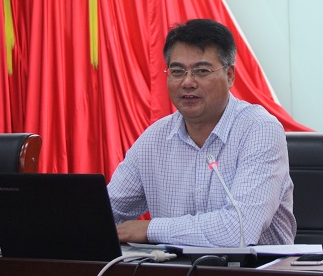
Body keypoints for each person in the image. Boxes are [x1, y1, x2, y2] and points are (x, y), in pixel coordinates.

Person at [107, 18, 296, 247]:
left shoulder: (259, 130)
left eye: (202, 71)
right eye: (177, 71)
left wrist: (150, 229)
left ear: (229, 75)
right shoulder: (155, 139)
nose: (188, 82)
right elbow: (106, 211)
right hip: (172, 269)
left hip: (257, 269)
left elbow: (238, 231)